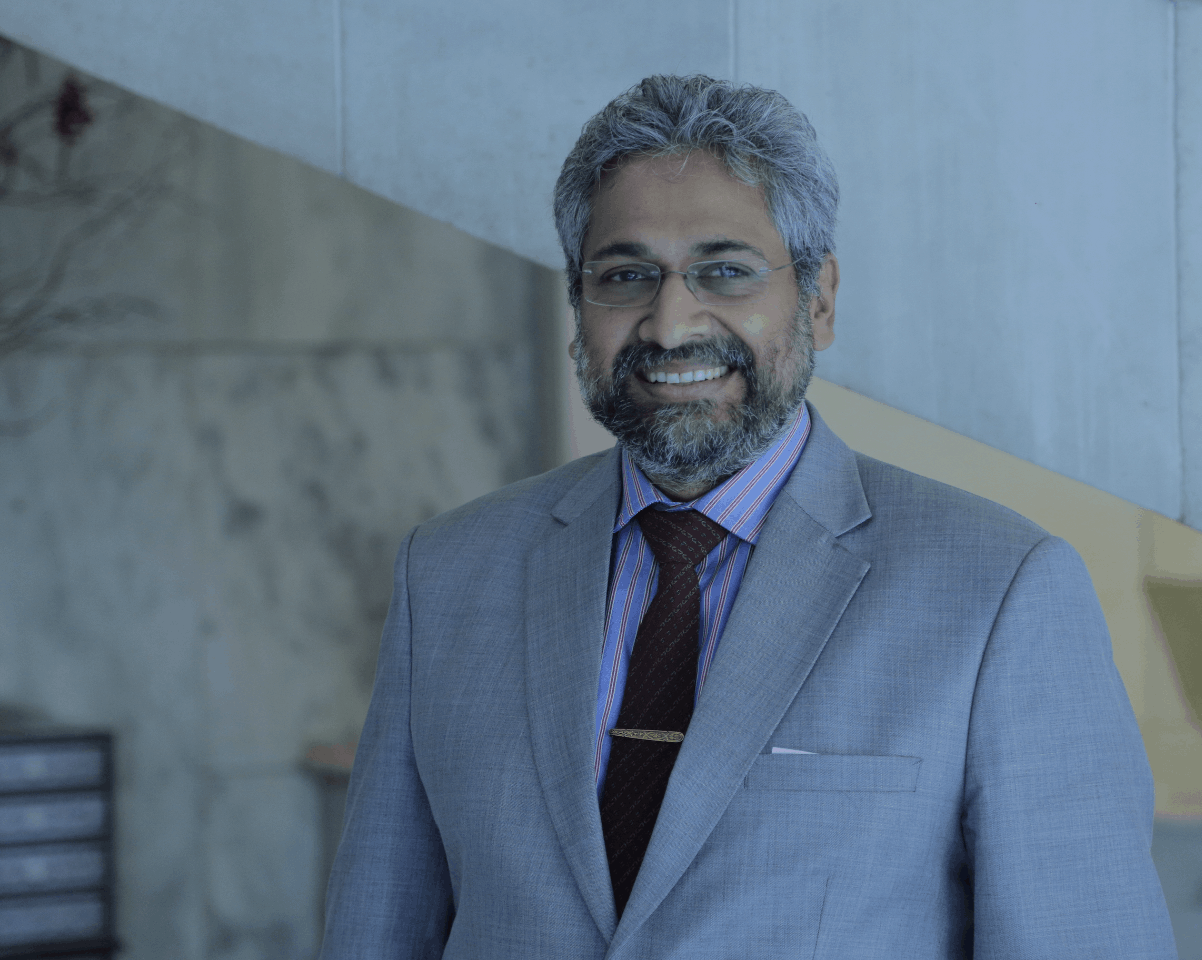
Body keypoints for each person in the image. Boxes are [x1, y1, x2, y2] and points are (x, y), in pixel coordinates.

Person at [320, 75, 1177, 959]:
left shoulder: (1003, 591)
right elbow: (376, 933)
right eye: (625, 276)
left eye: (724, 270)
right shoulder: (448, 571)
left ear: (819, 299)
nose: (668, 323)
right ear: (579, 311)